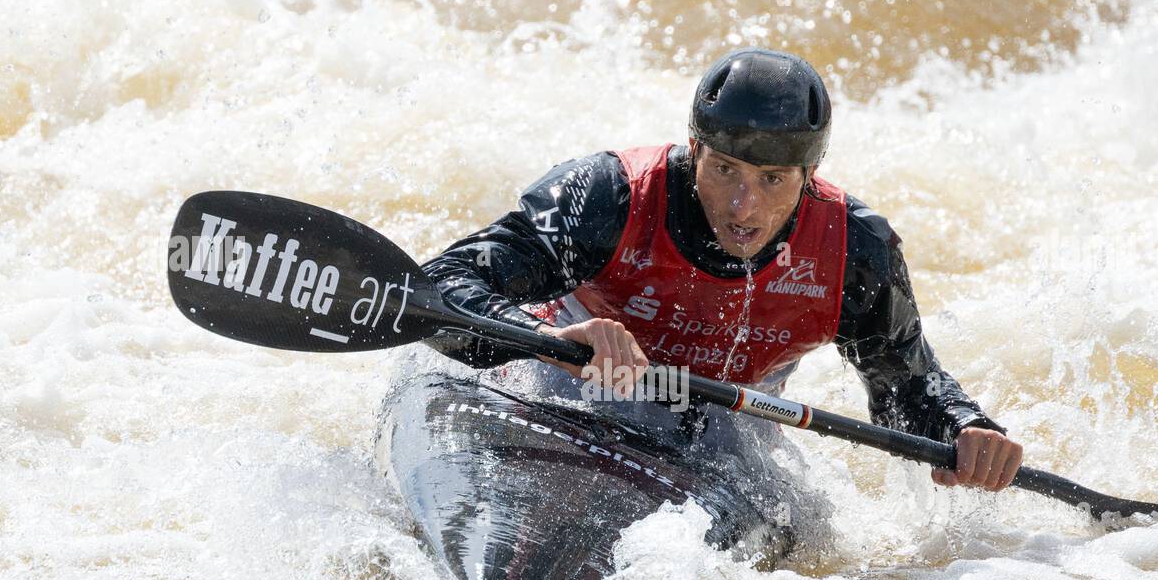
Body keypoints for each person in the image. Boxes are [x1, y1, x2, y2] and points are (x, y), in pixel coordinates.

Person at [422, 47, 1023, 494]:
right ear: (694, 148)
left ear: (809, 173)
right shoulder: (606, 196)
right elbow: (441, 286)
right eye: (726, 171)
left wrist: (967, 430)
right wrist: (547, 340)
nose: (745, 208)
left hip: (726, 425)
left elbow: (908, 388)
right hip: (565, 390)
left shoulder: (854, 249)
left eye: (772, 180)